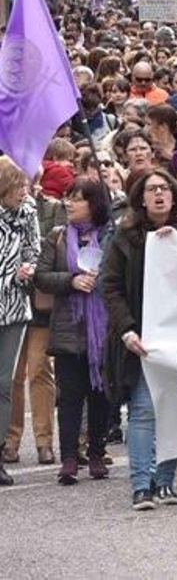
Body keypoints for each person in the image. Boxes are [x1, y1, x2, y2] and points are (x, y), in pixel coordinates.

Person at [100, 167, 177, 510]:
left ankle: (165, 482)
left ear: (173, 196)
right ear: (141, 198)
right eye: (152, 189)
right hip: (139, 338)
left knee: (173, 410)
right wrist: (126, 330)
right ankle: (142, 486)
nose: (159, 194)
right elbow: (108, 287)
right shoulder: (123, 236)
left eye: (165, 188)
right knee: (142, 410)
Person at [35, 179, 115, 485]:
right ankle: (69, 457)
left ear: (93, 204)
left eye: (77, 199)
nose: (69, 204)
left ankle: (96, 453)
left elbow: (121, 273)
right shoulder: (56, 237)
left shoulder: (111, 236)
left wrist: (100, 277)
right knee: (69, 397)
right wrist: (71, 281)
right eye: (68, 198)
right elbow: (42, 276)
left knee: (100, 395)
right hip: (68, 328)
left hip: (103, 327)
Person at [0, 157, 41, 486]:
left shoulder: (28, 211)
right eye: (19, 185)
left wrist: (28, 269)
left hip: (13, 306)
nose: (25, 191)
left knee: (4, 383)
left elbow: (33, 250)